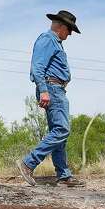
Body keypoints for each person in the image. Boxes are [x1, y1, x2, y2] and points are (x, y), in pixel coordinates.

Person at [16, 10, 85, 187]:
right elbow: (37, 67)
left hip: (56, 89)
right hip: (52, 88)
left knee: (59, 131)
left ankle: (63, 176)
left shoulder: (55, 42)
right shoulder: (47, 39)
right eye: (69, 30)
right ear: (62, 26)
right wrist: (44, 90)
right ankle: (28, 163)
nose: (69, 35)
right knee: (62, 130)